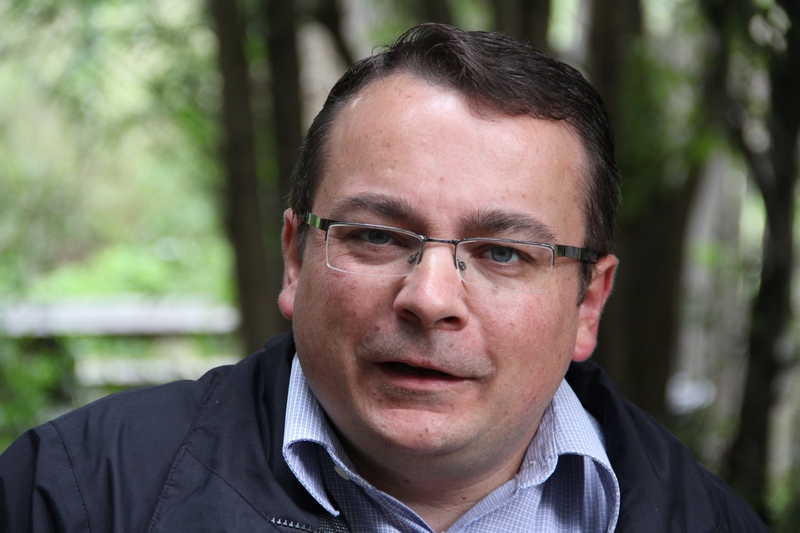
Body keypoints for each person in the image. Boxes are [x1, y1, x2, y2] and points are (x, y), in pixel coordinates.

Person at [0, 23, 767, 533]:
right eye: (376, 235)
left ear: (587, 302)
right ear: (296, 257)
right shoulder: (69, 495)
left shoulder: (711, 521)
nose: (429, 299)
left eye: (503, 253)